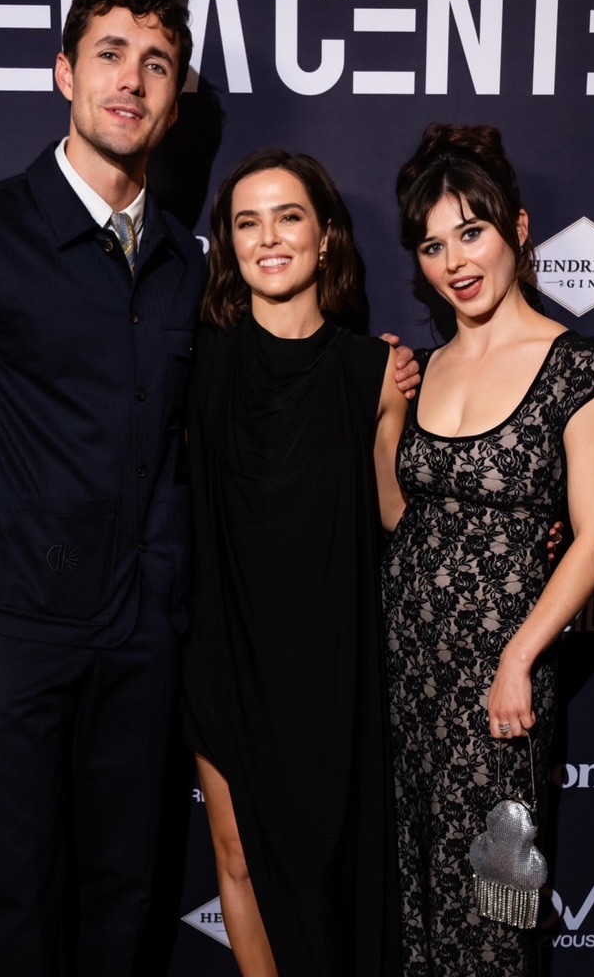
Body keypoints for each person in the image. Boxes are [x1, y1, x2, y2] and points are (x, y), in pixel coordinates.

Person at [0, 0, 201, 976]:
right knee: (18, 911)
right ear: (64, 70)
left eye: (156, 63)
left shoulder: (186, 262)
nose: (132, 82)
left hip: (142, 639)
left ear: (177, 92)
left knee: (127, 905)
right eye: (110, 55)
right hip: (14, 636)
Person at [379, 124, 594, 975]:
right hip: (406, 670)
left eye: (471, 233)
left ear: (518, 229)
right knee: (416, 902)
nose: (455, 261)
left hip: (500, 687)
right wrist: (385, 414)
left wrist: (519, 659)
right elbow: (395, 515)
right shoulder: (433, 365)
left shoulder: (578, 368)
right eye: (432, 244)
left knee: (499, 907)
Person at [181, 149, 400, 976]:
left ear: (326, 234)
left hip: (331, 656)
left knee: (327, 867)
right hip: (220, 642)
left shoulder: (374, 372)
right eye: (246, 221)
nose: (268, 237)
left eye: (288, 216)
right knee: (237, 856)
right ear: (228, 244)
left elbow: (397, 517)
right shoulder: (196, 363)